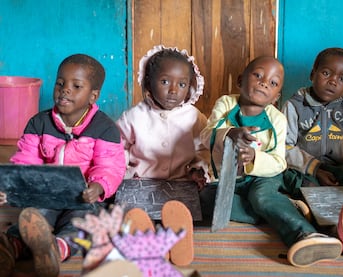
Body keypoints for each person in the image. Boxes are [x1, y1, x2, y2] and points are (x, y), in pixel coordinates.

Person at [199, 56, 343, 268]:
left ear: (276, 97)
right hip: (228, 177)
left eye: (273, 83)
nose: (264, 82)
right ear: (240, 81)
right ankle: (284, 208)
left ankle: (305, 234)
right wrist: (229, 133)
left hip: (263, 177)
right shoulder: (226, 104)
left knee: (261, 197)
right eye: (257, 75)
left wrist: (255, 158)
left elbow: (279, 162)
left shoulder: (277, 119)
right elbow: (205, 135)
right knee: (206, 199)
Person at [0, 54, 126, 277]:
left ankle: (54, 250)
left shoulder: (105, 129)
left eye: (76, 86)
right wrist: (14, 187)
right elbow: (26, 160)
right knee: (33, 215)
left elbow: (110, 167)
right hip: (46, 195)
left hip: (84, 199)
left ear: (93, 96)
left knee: (85, 224)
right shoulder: (39, 123)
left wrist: (98, 187)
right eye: (60, 83)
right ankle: (11, 249)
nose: (65, 90)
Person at [115, 45, 209, 266]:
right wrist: (119, 173)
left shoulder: (194, 117)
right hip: (140, 182)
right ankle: (146, 235)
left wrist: (199, 169)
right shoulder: (133, 116)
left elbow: (204, 148)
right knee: (129, 212)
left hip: (181, 183)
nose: (174, 90)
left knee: (185, 209)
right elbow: (117, 147)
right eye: (165, 82)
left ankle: (177, 236)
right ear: (148, 82)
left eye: (182, 84)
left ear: (190, 87)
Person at [282, 47, 343, 189]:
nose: (333, 81)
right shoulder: (294, 106)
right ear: (312, 74)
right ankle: (301, 205)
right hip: (302, 167)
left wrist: (340, 162)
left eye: (342, 79)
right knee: (306, 186)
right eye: (326, 73)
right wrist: (315, 169)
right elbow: (285, 147)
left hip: (336, 167)